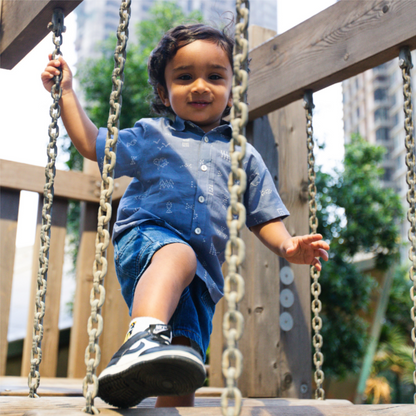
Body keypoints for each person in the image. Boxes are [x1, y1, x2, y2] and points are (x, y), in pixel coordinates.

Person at [41, 24, 329, 409]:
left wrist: (289, 244)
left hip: (202, 280)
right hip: (147, 241)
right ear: (163, 92)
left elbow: (262, 215)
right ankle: (142, 336)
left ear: (232, 91)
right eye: (184, 77)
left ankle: (147, 368)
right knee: (179, 255)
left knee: (183, 367)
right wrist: (65, 93)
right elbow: (93, 145)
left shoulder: (243, 155)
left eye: (214, 76)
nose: (199, 86)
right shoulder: (151, 135)